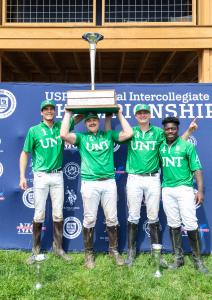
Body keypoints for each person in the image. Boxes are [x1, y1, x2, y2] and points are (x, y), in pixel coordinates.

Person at [105, 103, 197, 267]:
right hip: (134, 178)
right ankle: (131, 253)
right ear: (135, 116)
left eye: (145, 112)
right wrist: (113, 116)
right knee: (133, 215)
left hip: (153, 178)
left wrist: (189, 132)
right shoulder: (130, 132)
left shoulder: (159, 133)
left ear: (150, 114)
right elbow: (109, 135)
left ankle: (157, 254)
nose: (142, 115)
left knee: (153, 216)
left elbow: (176, 145)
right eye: (139, 113)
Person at [60, 106, 133, 269]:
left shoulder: (108, 135)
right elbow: (63, 134)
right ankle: (88, 254)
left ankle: (113, 251)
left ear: (98, 122)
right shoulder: (81, 138)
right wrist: (67, 114)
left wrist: (119, 114)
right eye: (89, 120)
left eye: (94, 120)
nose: (92, 122)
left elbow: (129, 134)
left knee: (112, 218)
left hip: (108, 182)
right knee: (89, 219)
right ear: (85, 124)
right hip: (89, 183)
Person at [19, 99, 83, 264]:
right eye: (45, 109)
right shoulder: (34, 130)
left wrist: (87, 108)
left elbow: (76, 119)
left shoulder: (60, 127)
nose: (49, 111)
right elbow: (25, 153)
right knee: (39, 213)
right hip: (40, 175)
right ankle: (35, 251)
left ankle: (58, 248)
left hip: (57, 175)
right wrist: (22, 176)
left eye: (51, 109)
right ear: (41, 112)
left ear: (54, 111)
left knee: (58, 213)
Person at [159, 116, 209, 274]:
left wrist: (200, 190)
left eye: (173, 128)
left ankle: (198, 260)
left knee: (191, 223)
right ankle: (178, 258)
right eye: (167, 129)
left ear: (177, 130)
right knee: (173, 223)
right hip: (167, 190)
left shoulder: (187, 146)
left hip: (185, 189)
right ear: (164, 131)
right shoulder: (160, 146)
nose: (170, 131)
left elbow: (197, 169)